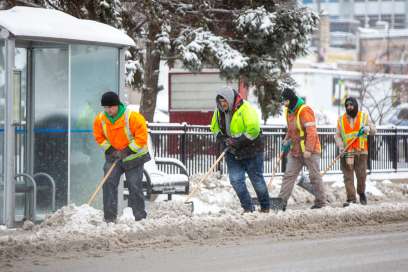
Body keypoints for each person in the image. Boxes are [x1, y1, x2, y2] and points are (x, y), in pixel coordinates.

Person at [210, 87, 270, 213]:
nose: (223, 104)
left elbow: (253, 130)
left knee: (257, 180)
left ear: (231, 100)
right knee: (236, 180)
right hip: (232, 152)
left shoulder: (246, 109)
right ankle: (248, 208)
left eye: (225, 101)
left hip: (251, 150)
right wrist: (222, 138)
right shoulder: (219, 112)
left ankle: (265, 207)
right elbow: (214, 128)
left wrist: (238, 141)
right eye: (220, 102)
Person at [93, 91, 150, 222]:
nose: (108, 110)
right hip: (114, 157)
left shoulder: (132, 117)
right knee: (108, 184)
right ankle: (109, 218)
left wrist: (128, 150)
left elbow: (141, 137)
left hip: (134, 158)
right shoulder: (100, 120)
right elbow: (99, 137)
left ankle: (140, 217)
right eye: (105, 107)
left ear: (117, 105)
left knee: (134, 185)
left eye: (110, 107)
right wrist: (110, 149)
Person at [278, 87, 326, 210]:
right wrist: (286, 140)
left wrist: (309, 150)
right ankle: (281, 202)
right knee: (289, 175)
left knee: (314, 176)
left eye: (284, 101)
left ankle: (320, 202)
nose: (283, 104)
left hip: (310, 151)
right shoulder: (288, 111)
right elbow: (291, 130)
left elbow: (311, 132)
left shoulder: (305, 110)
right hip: (295, 150)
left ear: (289, 100)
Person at [334, 97, 376, 207]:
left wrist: (368, 129)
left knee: (361, 175)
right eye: (347, 105)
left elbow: (374, 130)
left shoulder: (364, 116)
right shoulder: (341, 120)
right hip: (347, 151)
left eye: (351, 105)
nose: (349, 107)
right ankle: (351, 198)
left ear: (355, 105)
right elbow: (337, 136)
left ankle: (361, 193)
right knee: (348, 176)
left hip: (361, 151)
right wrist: (341, 146)